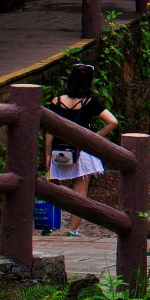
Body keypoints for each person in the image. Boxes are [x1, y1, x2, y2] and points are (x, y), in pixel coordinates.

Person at [45, 65, 118, 233]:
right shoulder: (90, 102)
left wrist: (47, 154)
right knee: (79, 193)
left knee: (58, 189)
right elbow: (113, 122)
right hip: (82, 152)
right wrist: (95, 137)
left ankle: (51, 227)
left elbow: (50, 129)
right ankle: (73, 231)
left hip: (59, 151)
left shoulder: (57, 101)